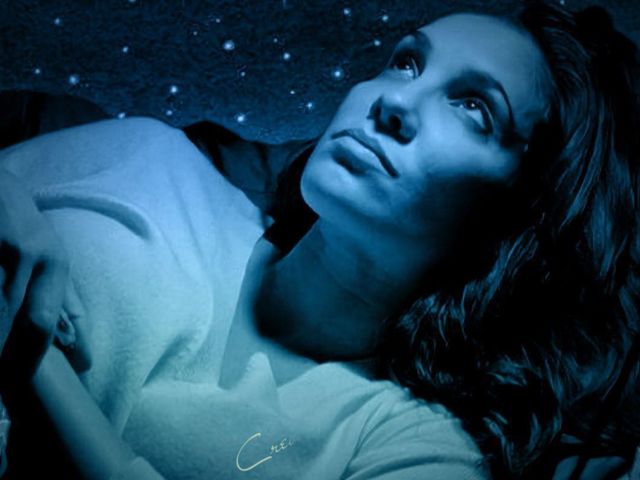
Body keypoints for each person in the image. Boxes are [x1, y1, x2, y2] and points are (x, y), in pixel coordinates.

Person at [0, 0, 639, 478]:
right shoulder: (146, 158)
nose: (394, 103)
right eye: (406, 62)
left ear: (521, 211)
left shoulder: (407, 448)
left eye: (474, 106)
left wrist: (30, 354)